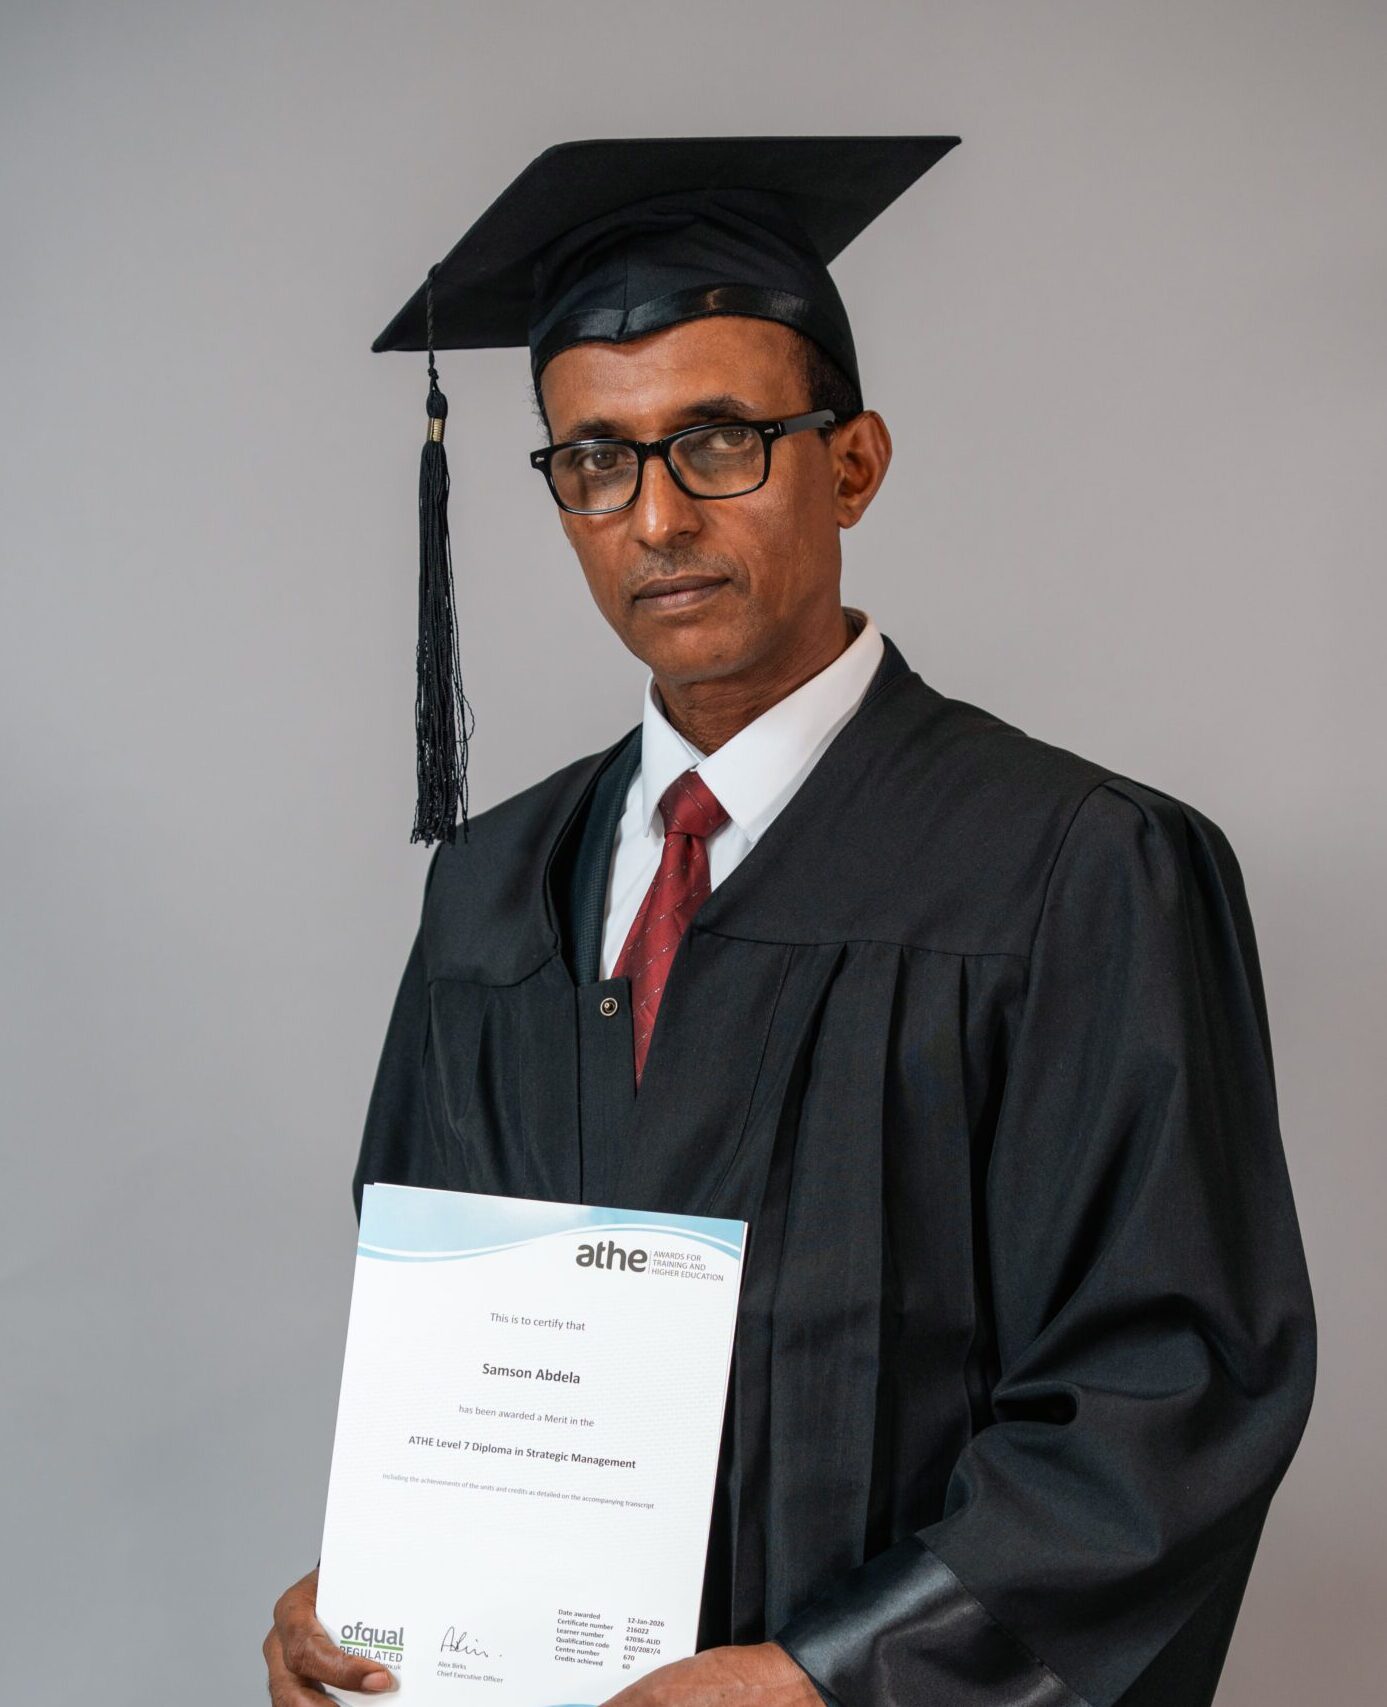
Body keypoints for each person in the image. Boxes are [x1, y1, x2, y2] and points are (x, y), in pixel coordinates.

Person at [263, 136, 1316, 1707]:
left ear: (856, 464)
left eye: (719, 442)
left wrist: (831, 1678)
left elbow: (1171, 1394)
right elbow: (442, 1340)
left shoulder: (1076, 869)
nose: (655, 518)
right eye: (595, 461)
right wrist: (379, 1579)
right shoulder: (491, 886)